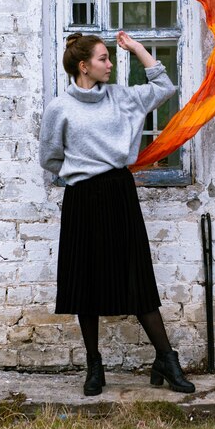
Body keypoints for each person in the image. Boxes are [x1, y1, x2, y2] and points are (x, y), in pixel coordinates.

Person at [39, 31, 195, 396]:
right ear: (83, 66)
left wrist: (137, 48)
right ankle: (95, 365)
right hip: (82, 199)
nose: (110, 64)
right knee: (85, 282)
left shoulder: (121, 98)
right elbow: (49, 157)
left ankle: (165, 358)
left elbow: (164, 87)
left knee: (136, 278)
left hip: (118, 194)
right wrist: (78, 172)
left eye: (110, 58)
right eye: (103, 59)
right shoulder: (59, 108)